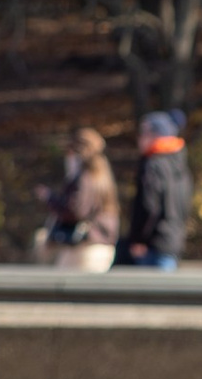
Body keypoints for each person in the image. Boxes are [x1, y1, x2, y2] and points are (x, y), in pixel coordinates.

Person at [33, 125, 120, 274]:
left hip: (85, 246)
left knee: (63, 290)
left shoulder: (85, 177)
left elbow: (76, 210)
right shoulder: (103, 174)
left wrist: (50, 198)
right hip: (103, 245)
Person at [119, 110, 193, 269]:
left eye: (143, 132)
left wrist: (139, 240)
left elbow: (149, 206)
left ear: (155, 135)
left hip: (151, 247)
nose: (139, 138)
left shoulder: (153, 164)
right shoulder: (180, 163)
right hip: (173, 242)